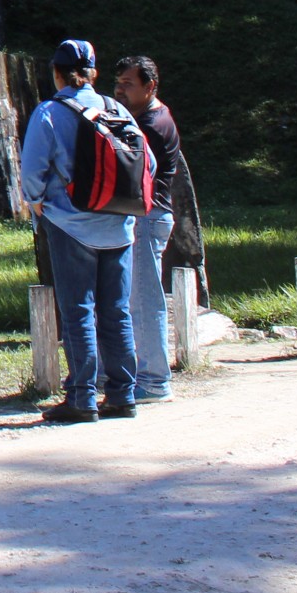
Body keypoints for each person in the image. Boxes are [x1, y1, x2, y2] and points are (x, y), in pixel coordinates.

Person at [17, 38, 140, 422]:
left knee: (78, 311)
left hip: (70, 224)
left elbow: (32, 169)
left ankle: (82, 397)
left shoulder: (50, 112)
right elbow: (144, 162)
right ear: (93, 74)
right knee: (117, 312)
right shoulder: (116, 108)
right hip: (119, 224)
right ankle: (122, 394)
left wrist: (37, 202)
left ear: (56, 74)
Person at [113, 55, 185, 402]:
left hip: (147, 216)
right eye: (118, 83)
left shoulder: (151, 126)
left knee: (144, 300)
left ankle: (155, 380)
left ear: (150, 87)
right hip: (149, 216)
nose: (119, 90)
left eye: (128, 84)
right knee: (135, 298)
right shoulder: (152, 116)